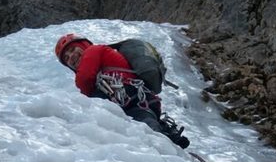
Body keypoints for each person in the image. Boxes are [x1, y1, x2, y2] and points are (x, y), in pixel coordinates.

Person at [55, 34, 190, 149]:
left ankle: (163, 143)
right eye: (66, 58)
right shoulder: (98, 69)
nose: (71, 57)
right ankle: (168, 141)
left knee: (151, 137)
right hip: (137, 103)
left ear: (84, 45)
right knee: (145, 129)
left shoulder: (95, 50)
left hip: (133, 99)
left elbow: (84, 79)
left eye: (72, 49)